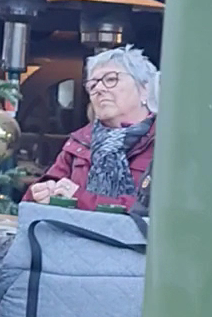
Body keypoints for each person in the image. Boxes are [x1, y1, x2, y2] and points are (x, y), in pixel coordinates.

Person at [26, 46, 157, 212]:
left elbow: (158, 208)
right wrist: (41, 193)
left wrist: (81, 199)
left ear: (144, 89)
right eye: (93, 84)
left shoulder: (165, 142)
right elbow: (32, 200)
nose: (99, 89)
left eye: (111, 79)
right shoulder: (80, 141)